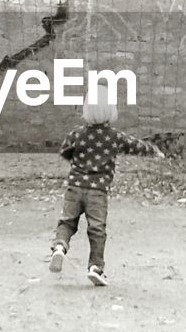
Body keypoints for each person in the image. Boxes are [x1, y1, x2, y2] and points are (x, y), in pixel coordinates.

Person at [48, 99, 164, 287]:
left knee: (67, 222)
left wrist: (76, 159)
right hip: (97, 191)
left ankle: (60, 246)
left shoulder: (77, 134)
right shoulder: (114, 136)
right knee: (97, 230)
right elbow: (134, 145)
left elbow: (64, 150)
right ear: (111, 112)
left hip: (74, 187)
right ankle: (95, 267)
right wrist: (154, 150)